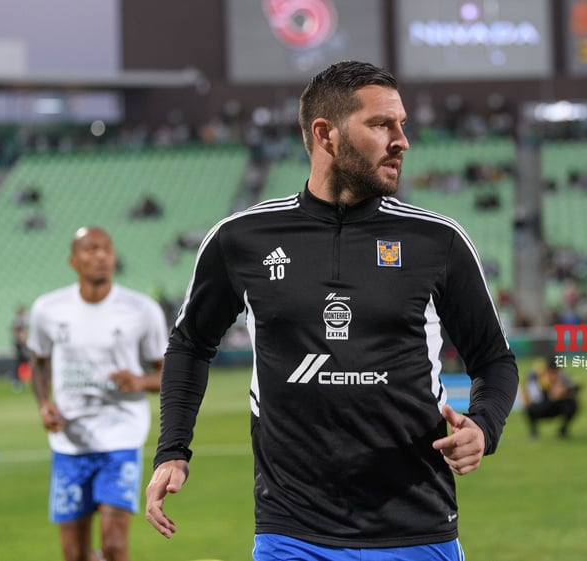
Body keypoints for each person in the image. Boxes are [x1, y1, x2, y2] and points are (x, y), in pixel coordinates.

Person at [145, 60, 519, 560]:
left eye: (402, 124)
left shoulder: (438, 240)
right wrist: (173, 449)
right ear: (326, 134)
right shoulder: (241, 240)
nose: (402, 140)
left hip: (416, 526)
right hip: (291, 531)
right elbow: (190, 344)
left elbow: (493, 359)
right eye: (382, 124)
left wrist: (483, 426)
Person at [27, 226, 169, 561]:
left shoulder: (141, 310)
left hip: (120, 436)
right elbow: (38, 362)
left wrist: (139, 380)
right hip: (69, 441)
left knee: (114, 545)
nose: (101, 256)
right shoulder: (48, 309)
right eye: (90, 249)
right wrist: (44, 404)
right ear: (73, 260)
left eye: (106, 249)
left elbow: (168, 374)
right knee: (75, 553)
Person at [521, 356, 581, 439]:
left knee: (573, 404)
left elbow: (574, 388)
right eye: (553, 372)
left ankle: (563, 430)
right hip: (540, 408)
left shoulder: (562, 376)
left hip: (556, 407)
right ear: (547, 371)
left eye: (557, 372)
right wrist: (552, 397)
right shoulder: (535, 378)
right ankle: (533, 430)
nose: (555, 375)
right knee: (528, 408)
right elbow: (534, 401)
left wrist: (565, 393)